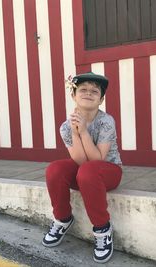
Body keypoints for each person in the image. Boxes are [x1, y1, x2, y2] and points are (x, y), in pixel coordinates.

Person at [42, 72, 122, 263]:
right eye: (83, 89)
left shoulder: (106, 122)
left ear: (101, 99)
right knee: (55, 169)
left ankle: (102, 229)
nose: (88, 93)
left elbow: (97, 159)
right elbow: (80, 161)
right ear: (73, 95)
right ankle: (62, 218)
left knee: (89, 170)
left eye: (94, 91)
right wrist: (75, 132)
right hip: (85, 173)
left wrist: (84, 131)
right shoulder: (65, 127)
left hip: (109, 171)